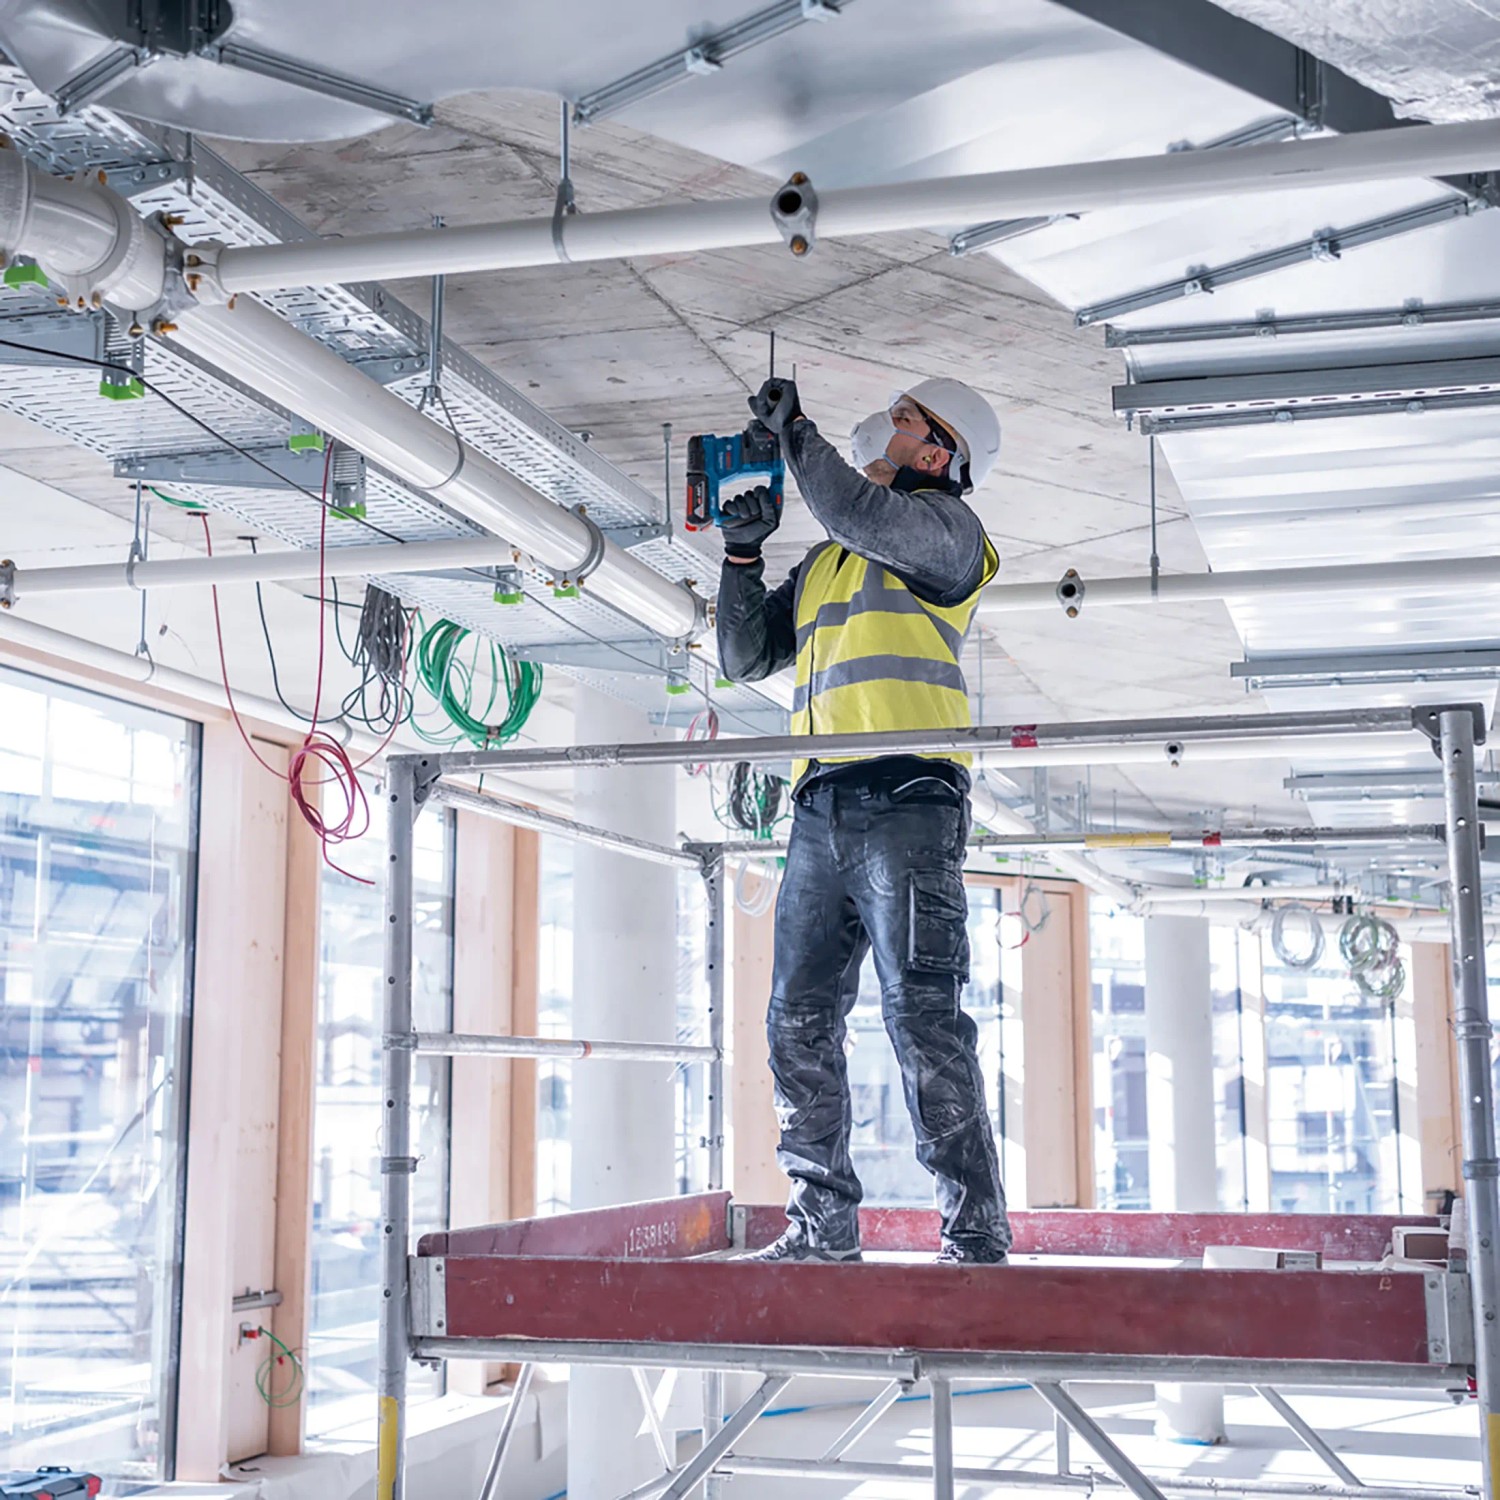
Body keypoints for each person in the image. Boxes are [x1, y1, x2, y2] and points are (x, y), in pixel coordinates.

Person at [715, 374, 1011, 1266]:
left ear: (939, 455)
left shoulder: (951, 537)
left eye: (908, 419)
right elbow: (745, 657)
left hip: (908, 801)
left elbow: (858, 514)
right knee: (796, 1022)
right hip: (820, 810)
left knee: (921, 1018)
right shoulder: (830, 563)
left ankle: (976, 1232)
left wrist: (797, 432)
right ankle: (821, 1226)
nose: (892, 424)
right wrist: (740, 557)